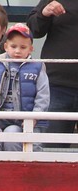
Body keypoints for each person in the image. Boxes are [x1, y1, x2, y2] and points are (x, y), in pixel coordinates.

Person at [0, 23, 50, 151]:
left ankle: (14, 170)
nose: (17, 51)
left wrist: (34, 117)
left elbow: (43, 97)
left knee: (13, 135)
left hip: (23, 121)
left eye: (23, 47)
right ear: (6, 46)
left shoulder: (37, 68)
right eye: (13, 46)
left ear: (31, 49)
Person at [27, 1, 78, 148]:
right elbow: (32, 29)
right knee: (51, 152)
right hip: (56, 87)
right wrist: (45, 12)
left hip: (57, 86)